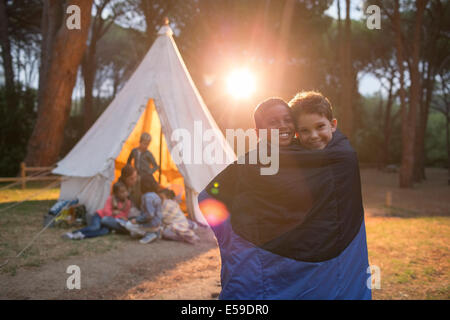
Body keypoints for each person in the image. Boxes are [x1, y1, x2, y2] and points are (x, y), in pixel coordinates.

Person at [198, 93, 371, 299]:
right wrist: (233, 240)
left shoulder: (328, 158)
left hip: (318, 256)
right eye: (273, 122)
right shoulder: (251, 163)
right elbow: (208, 196)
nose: (283, 126)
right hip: (267, 256)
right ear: (259, 132)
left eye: (288, 120)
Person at [62, 182, 131, 240]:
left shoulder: (127, 203)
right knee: (95, 227)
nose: (124, 193)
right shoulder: (110, 199)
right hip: (100, 216)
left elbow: (124, 215)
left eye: (125, 191)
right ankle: (72, 233)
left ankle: (82, 235)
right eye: (121, 192)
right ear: (116, 194)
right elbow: (106, 212)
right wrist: (115, 214)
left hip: (109, 221)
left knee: (104, 231)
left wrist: (117, 215)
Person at [120, 178, 162, 244]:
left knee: (128, 225)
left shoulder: (147, 197)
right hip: (158, 224)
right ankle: (155, 232)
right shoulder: (156, 195)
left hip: (151, 224)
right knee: (133, 234)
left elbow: (150, 215)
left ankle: (150, 234)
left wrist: (137, 220)